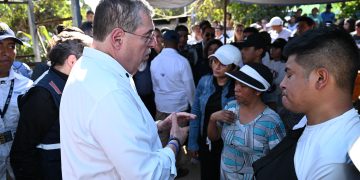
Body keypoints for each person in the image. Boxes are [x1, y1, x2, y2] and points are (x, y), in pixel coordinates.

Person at [59, 0, 195, 179]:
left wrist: (157, 127)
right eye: (147, 36)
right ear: (117, 39)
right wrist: (175, 141)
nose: (154, 43)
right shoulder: (108, 91)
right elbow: (147, 175)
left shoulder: (91, 69)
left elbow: (114, 138)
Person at [253, 28, 360, 179]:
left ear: (320, 78)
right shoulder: (310, 119)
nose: (282, 84)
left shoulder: (336, 161)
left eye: (290, 75)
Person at [10, 30, 91, 180]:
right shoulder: (42, 94)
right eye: (89, 62)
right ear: (72, 61)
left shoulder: (71, 85)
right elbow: (22, 154)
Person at [207, 63, 286, 179]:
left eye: (243, 86)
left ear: (258, 91)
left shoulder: (271, 121)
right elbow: (214, 137)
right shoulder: (231, 107)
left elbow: (279, 161)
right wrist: (212, 119)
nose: (236, 89)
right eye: (236, 83)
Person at [188, 44, 241, 180]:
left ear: (233, 67)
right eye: (214, 61)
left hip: (229, 145)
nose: (216, 67)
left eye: (223, 64)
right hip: (206, 142)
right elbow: (196, 113)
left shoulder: (238, 87)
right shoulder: (204, 81)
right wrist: (193, 142)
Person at [0, 22, 33, 179]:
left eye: (11, 46)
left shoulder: (26, 85)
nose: (5, 52)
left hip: (19, 162)